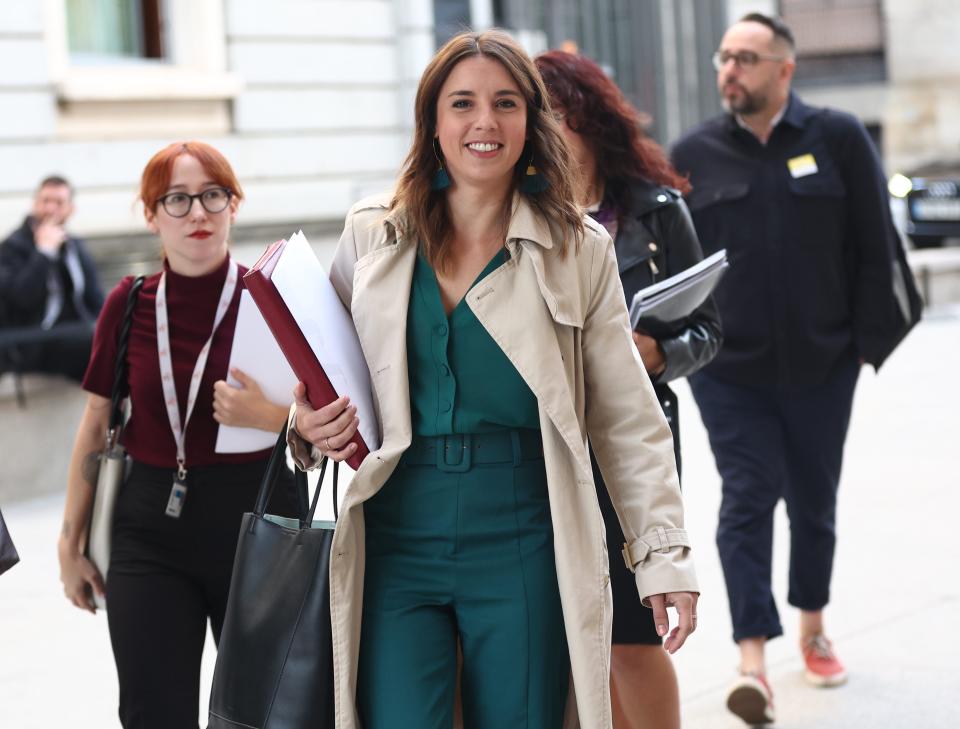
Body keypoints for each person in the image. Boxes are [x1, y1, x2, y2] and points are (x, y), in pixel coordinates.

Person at [288, 29, 699, 729]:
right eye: (463, 104)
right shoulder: (371, 238)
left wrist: (663, 560)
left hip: (523, 534)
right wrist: (304, 426)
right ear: (433, 122)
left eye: (506, 103)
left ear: (530, 121)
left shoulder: (579, 248)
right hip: (395, 531)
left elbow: (630, 422)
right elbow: (321, 382)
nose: (485, 122)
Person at [671, 13, 907, 726]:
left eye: (746, 57)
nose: (729, 70)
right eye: (724, 56)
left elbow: (877, 246)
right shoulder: (692, 154)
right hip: (729, 371)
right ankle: (752, 657)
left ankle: (813, 624)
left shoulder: (837, 138)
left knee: (813, 500)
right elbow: (676, 268)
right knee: (747, 496)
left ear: (785, 69)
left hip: (822, 363)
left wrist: (864, 347)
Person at [56, 141, 296, 729]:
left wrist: (269, 416)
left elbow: (333, 422)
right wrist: (71, 541)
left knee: (268, 716)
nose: (198, 213)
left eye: (213, 195)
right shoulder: (130, 303)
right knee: (151, 712)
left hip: (260, 526)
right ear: (151, 214)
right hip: (150, 534)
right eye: (178, 199)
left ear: (233, 206)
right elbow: (94, 424)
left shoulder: (273, 297)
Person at [536, 50, 722, 729]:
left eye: (550, 114)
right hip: (546, 442)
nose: (541, 131)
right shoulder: (520, 211)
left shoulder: (655, 207)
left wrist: (659, 352)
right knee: (572, 632)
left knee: (631, 633)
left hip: (628, 441)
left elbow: (707, 327)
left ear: (586, 117)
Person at [0, 176, 104, 381]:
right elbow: (22, 298)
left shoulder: (74, 246)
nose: (50, 208)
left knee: (120, 344)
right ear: (34, 204)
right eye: (45, 201)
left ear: (70, 209)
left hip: (71, 334)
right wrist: (44, 252)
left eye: (58, 202)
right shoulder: (12, 247)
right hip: (30, 340)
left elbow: (95, 297)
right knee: (98, 348)